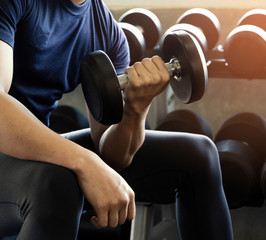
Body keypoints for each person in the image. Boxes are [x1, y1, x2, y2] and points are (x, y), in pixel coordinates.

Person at [0, 0, 234, 239]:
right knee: (58, 181)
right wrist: (85, 162)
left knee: (197, 154)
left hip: (25, 158)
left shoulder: (107, 33)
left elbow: (113, 156)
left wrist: (135, 108)